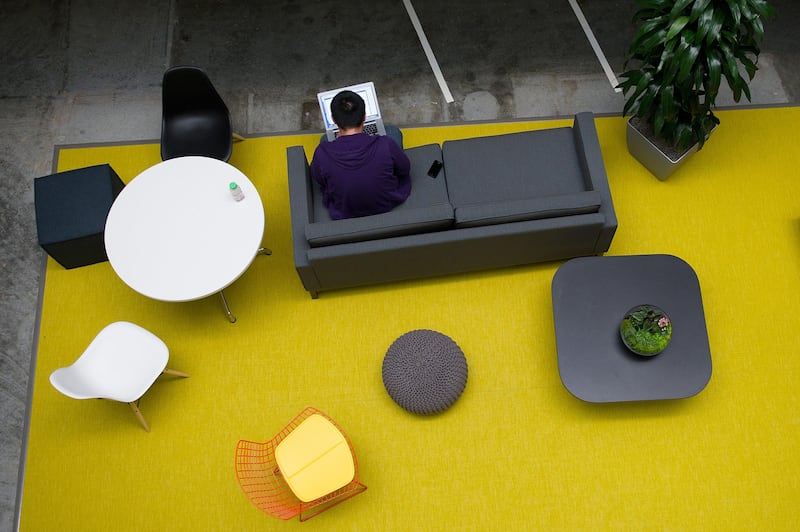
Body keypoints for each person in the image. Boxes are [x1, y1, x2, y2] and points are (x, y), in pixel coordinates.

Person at [310, 90, 411, 220]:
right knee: (393, 131)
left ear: (333, 119)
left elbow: (319, 178)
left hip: (344, 210)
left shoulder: (322, 152)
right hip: (386, 203)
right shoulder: (385, 144)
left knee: (324, 138)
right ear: (364, 117)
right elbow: (404, 169)